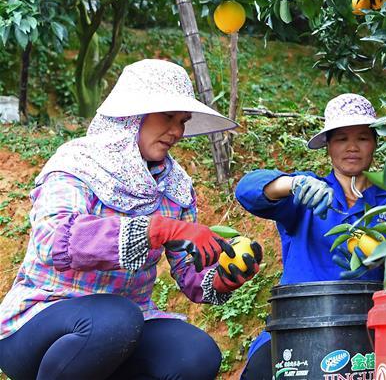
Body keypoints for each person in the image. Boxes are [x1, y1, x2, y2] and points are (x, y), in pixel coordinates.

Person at [0, 59, 264, 380]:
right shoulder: (78, 163)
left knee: (195, 354)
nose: (178, 131)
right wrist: (157, 229)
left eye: (183, 121)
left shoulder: (176, 186)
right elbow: (52, 241)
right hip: (41, 321)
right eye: (168, 117)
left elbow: (190, 276)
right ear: (132, 116)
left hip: (126, 326)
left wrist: (224, 275)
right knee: (114, 319)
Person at [235, 93, 386, 380]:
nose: (352, 147)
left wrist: (384, 258)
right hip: (299, 324)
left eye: (362, 137)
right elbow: (247, 191)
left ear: (375, 142)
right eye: (341, 139)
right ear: (328, 146)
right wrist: (291, 183)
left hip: (372, 328)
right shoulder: (307, 195)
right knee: (262, 369)